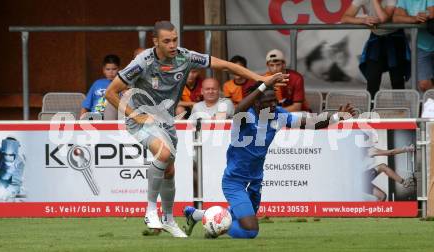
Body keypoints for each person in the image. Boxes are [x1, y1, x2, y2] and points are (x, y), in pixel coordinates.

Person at [105, 20, 286, 238]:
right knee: (163, 153)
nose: (173, 45)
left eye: (175, 40)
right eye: (167, 41)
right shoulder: (142, 62)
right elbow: (111, 93)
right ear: (155, 42)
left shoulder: (185, 57)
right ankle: (151, 210)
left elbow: (226, 66)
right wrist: (135, 115)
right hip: (139, 118)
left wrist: (261, 79)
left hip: (165, 121)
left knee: (169, 170)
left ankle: (169, 220)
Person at [183, 74, 355, 239]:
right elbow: (239, 108)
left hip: (255, 180)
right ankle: (213, 225)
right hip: (235, 182)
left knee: (241, 220)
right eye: (268, 101)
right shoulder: (245, 117)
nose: (273, 104)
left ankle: (197, 215)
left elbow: (310, 123)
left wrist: (335, 117)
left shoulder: (279, 115)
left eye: (275, 100)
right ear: (256, 103)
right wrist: (265, 83)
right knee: (250, 230)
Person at [342, 0, 410, 99]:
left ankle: (400, 111)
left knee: (397, 80)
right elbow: (344, 18)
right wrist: (363, 20)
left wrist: (374, 1)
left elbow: (383, 18)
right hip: (376, 38)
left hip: (395, 37)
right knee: (372, 78)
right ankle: (370, 112)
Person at [393, 0, 434, 92]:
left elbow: (432, 13)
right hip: (421, 46)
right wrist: (414, 19)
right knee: (424, 84)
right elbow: (396, 18)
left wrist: (423, 16)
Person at [362, 133, 416, 201]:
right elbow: (390, 153)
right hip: (361, 178)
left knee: (382, 196)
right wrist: (407, 149)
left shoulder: (357, 150)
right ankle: (404, 183)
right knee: (383, 167)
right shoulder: (370, 151)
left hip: (357, 184)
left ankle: (374, 211)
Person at [0, 137, 25, 201]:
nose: (7, 158)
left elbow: (16, 183)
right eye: (5, 155)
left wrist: (7, 192)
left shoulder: (19, 163)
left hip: (7, 184)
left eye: (11, 156)